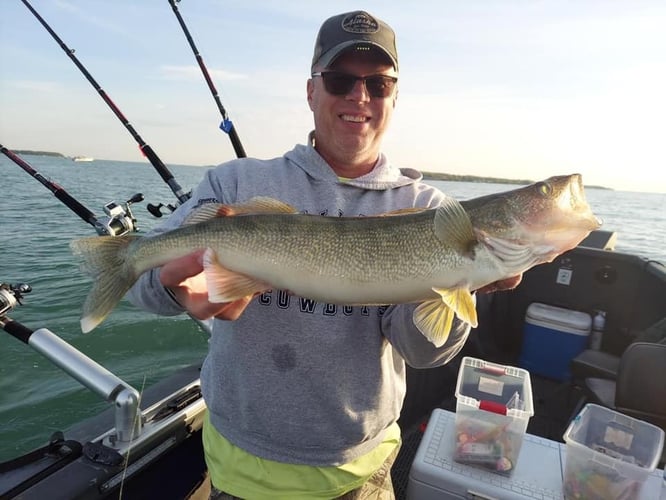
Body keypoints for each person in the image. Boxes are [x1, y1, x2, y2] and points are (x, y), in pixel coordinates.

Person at [127, 10, 521, 499]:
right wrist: (179, 288)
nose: (359, 97)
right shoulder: (236, 183)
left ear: (394, 98)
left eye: (378, 85)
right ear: (312, 91)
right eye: (340, 81)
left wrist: (466, 279)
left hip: (359, 471)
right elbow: (144, 286)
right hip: (239, 463)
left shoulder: (428, 210)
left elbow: (423, 352)